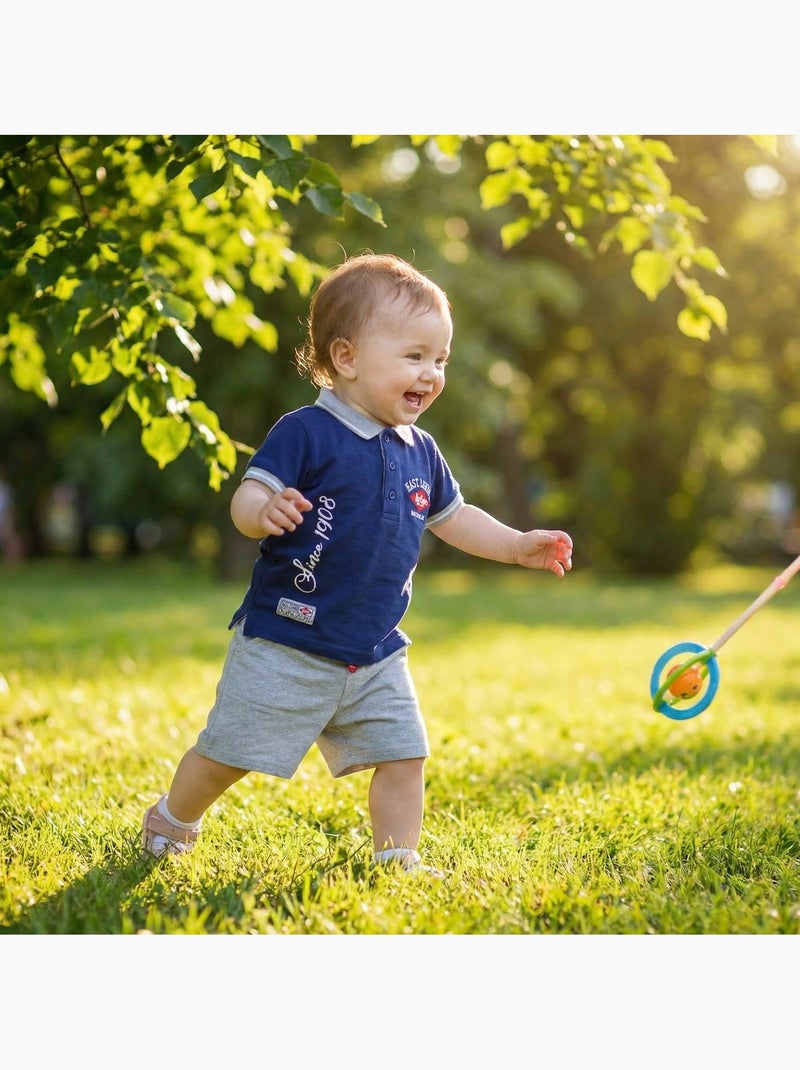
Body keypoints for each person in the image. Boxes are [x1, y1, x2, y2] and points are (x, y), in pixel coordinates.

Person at [142, 252, 573, 874]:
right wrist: (263, 511)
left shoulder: (420, 449)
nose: (431, 374)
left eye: (440, 360)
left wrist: (514, 544)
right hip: (287, 640)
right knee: (229, 753)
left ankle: (397, 859)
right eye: (414, 356)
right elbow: (248, 495)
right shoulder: (307, 432)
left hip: (373, 651)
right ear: (345, 358)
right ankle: (174, 816)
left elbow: (454, 517)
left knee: (404, 755)